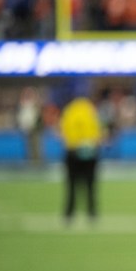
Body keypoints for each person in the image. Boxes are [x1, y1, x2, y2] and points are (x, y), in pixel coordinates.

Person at [59, 96, 104, 224]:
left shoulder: (69, 111)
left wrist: (73, 143)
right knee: (90, 185)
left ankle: (69, 213)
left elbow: (63, 131)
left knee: (71, 185)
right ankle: (92, 213)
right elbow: (98, 132)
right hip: (90, 152)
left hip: (72, 151)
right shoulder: (91, 111)